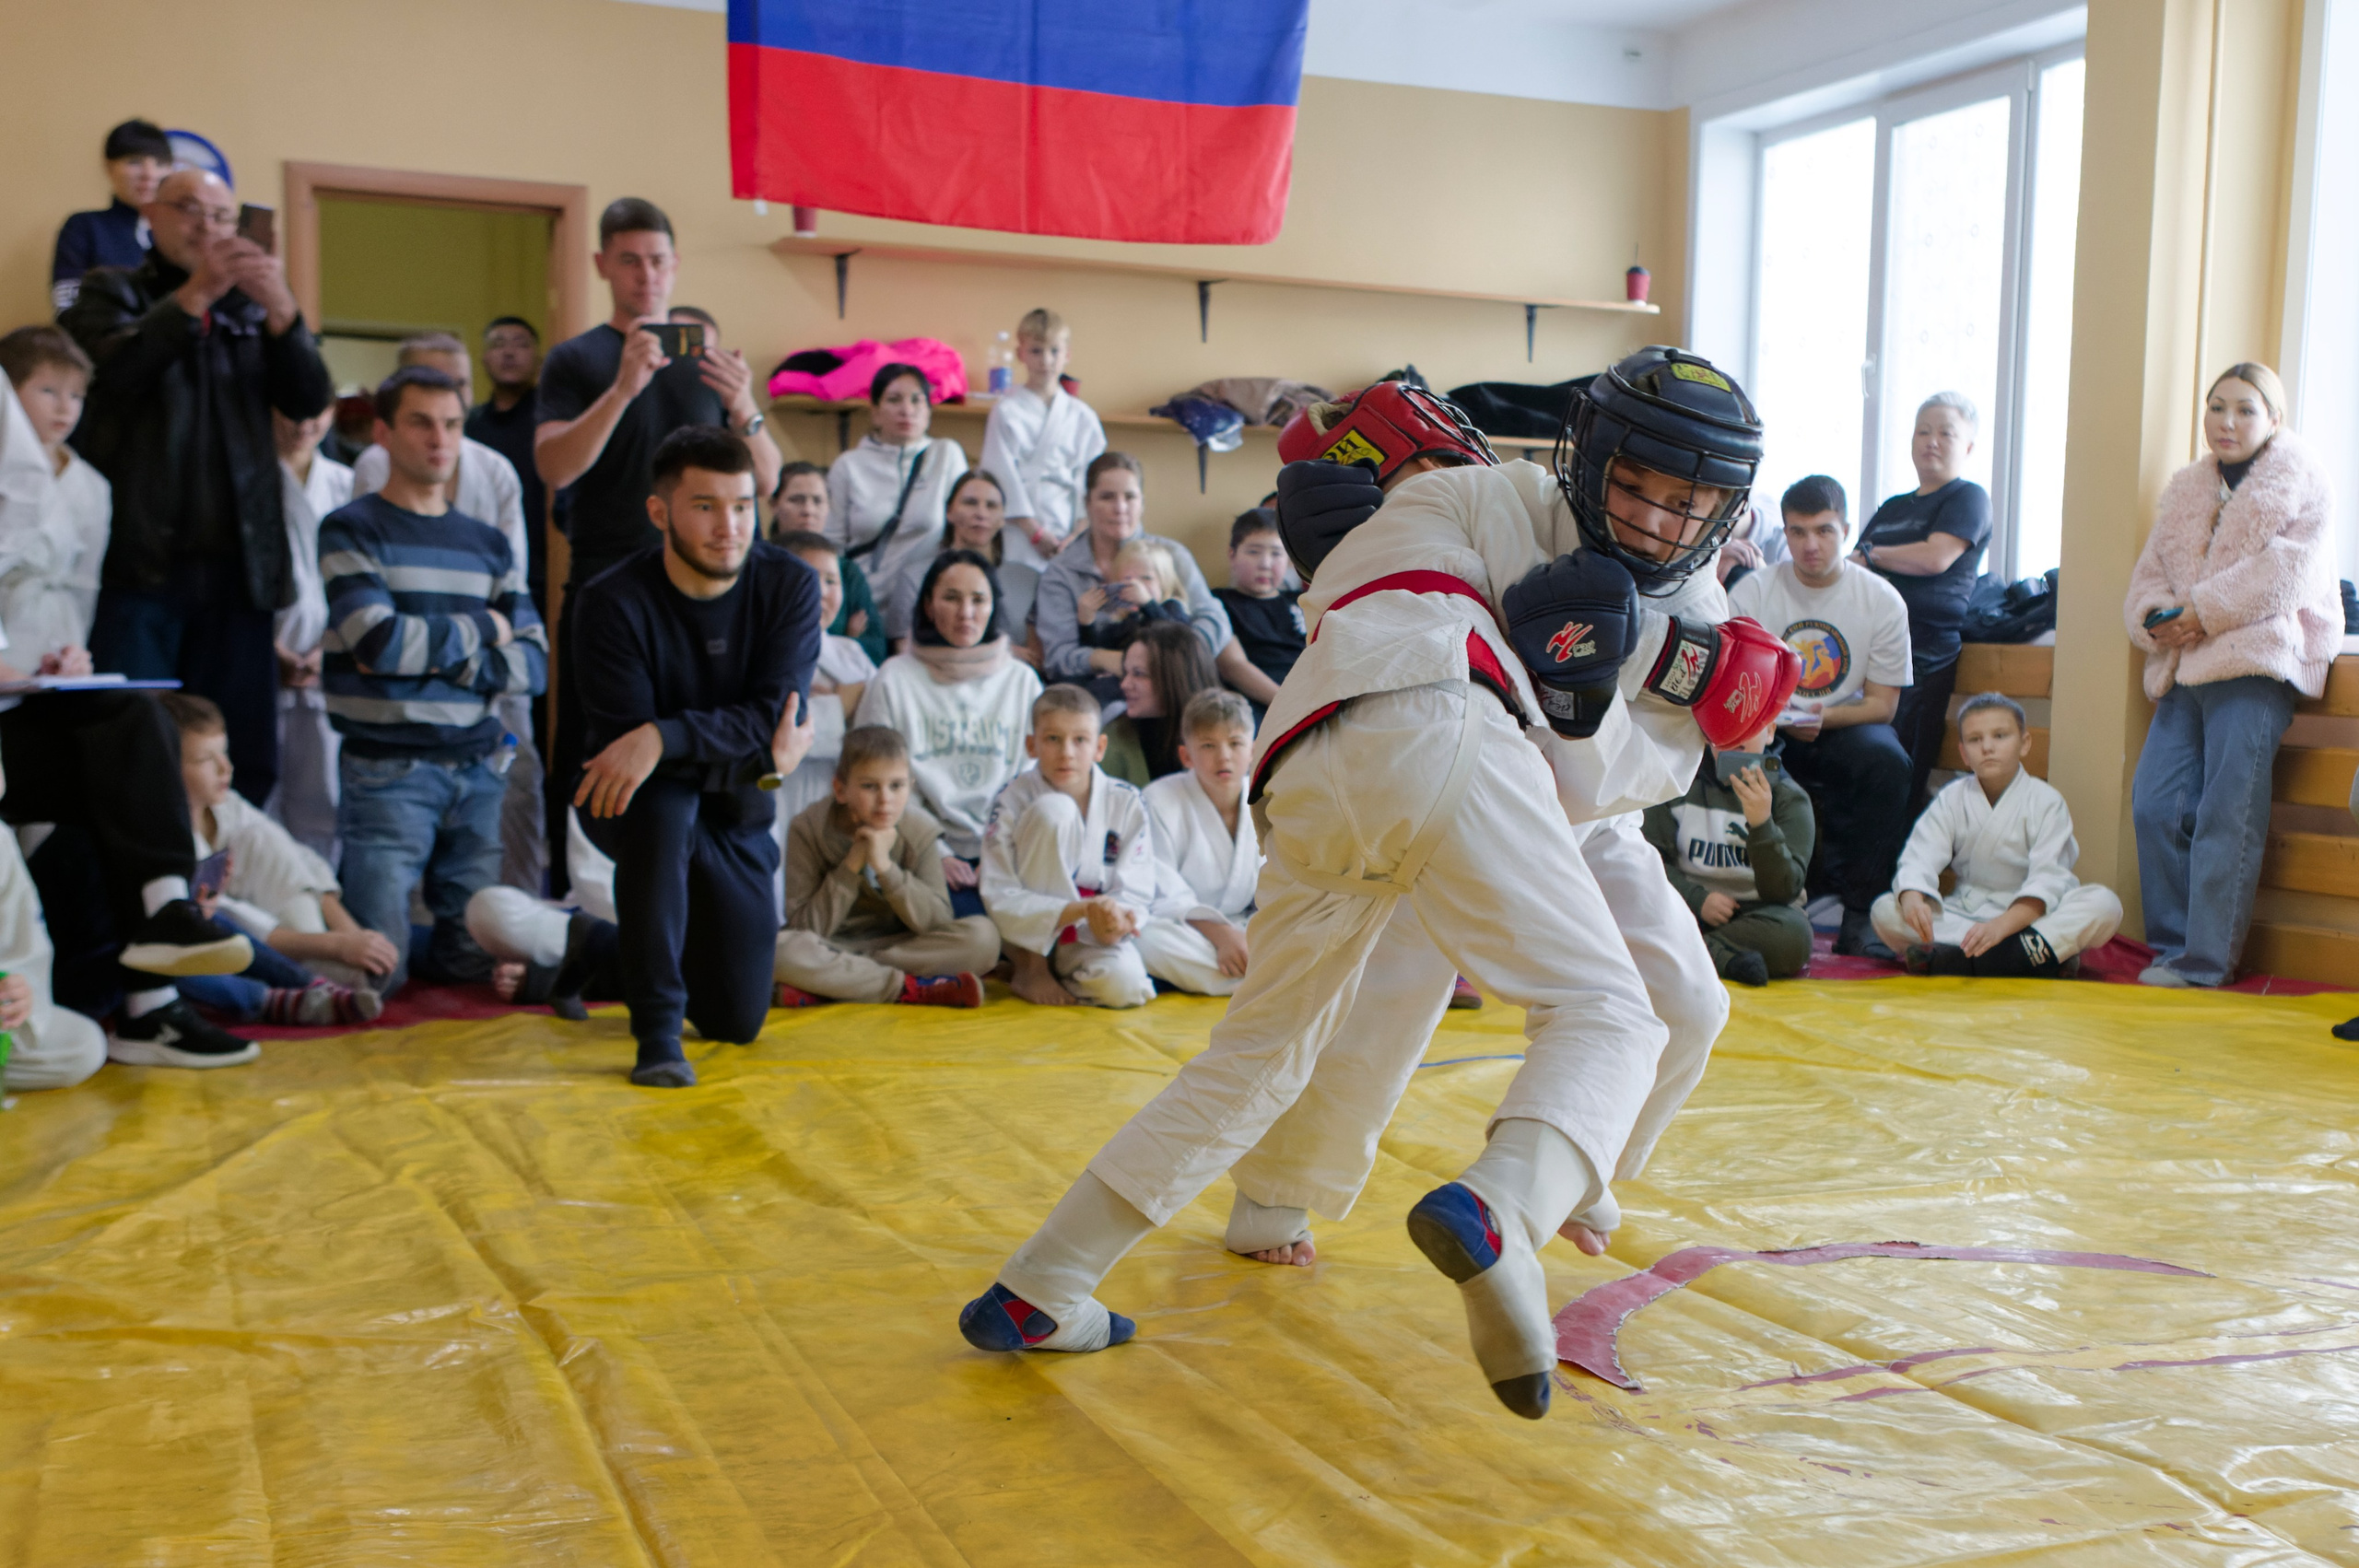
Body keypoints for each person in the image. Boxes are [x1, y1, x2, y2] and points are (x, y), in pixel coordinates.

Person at [959, 364, 1794, 1422]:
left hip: (1313, 762)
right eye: (1637, 484)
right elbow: (1347, 576)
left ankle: (1043, 1283)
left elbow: (1584, 783)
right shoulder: (1481, 495)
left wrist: (1579, 699)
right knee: (1603, 1012)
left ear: (1722, 513)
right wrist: (1564, 689)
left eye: (1687, 503)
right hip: (1452, 736)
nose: (1657, 515)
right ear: (1590, 461)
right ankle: (1502, 1207)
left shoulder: (1663, 599)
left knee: (1258, 1055)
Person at [62, 166, 334, 809]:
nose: (207, 228)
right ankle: (143, 898)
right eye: (189, 211)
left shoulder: (254, 311)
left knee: (237, 755)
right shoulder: (111, 292)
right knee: (132, 742)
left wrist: (285, 315)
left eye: (221, 216)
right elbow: (108, 383)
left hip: (240, 576)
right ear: (151, 216)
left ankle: (223, 887)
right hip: (139, 572)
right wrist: (195, 298)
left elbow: (307, 401)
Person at [535, 198, 783, 897]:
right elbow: (554, 468)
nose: (646, 275)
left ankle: (698, 895)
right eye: (629, 261)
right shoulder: (578, 359)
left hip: (702, 593)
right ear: (602, 266)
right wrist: (622, 388)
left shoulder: (705, 361)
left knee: (689, 744)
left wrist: (746, 408)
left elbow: (765, 479)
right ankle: (578, 901)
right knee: (590, 749)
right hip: (604, 586)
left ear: (675, 267)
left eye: (658, 261)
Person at [570, 426, 819, 1088]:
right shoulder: (609, 601)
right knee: (665, 807)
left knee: (736, 1020)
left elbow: (776, 716)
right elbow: (628, 751)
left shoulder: (789, 584)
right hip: (627, 803)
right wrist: (745, 752)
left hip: (737, 808)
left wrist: (665, 736)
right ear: (661, 513)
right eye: (705, 506)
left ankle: (596, 948)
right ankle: (654, 1033)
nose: (729, 526)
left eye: (742, 505)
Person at [323, 366, 546, 997]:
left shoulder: (489, 545)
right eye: (421, 422)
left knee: (474, 965)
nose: (439, 439)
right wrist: (485, 628)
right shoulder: (352, 528)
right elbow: (378, 643)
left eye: (451, 424)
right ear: (384, 434)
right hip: (387, 771)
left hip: (478, 769)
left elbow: (533, 667)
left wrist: (432, 649)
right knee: (376, 975)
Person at [2126, 362, 2341, 988]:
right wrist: (2156, 619)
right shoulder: (2188, 488)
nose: (2227, 421)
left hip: (2255, 662)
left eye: (2245, 409)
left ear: (2274, 419)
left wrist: (2202, 612)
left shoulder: (2304, 481)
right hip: (2186, 666)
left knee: (2228, 811)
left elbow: (2286, 575)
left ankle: (2206, 962)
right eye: (2216, 406)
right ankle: (2171, 948)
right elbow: (2149, 576)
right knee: (2154, 804)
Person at [350, 333, 546, 893]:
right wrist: (476, 634)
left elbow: (517, 616)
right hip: (403, 707)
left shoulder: (497, 471)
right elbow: (381, 625)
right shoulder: (373, 466)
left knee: (518, 789)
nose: (447, 404)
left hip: (487, 691)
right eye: (426, 404)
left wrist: (427, 652)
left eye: (458, 388)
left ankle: (521, 916)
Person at [1730, 474, 1914, 958]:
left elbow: (1883, 706)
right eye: (1798, 532)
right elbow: (1732, 691)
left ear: (1847, 530)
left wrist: (1823, 718)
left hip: (1842, 726)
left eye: (1824, 530)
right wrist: (1774, 720)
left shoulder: (1881, 600)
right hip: (1768, 727)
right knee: (1730, 757)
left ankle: (1861, 912)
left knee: (1888, 761)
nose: (1810, 544)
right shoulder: (1752, 593)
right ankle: (1746, 899)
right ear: (1784, 534)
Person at [163, 693, 392, 1025]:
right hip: (231, 943)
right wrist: (334, 946)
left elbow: (295, 860)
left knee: (389, 944)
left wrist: (351, 935)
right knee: (211, 940)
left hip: (280, 928)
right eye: (204, 760)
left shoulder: (229, 807)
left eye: (224, 754)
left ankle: (323, 980)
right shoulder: (165, 836)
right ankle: (296, 991)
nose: (226, 768)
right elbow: (229, 920)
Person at [1872, 693, 2122, 977]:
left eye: (2000, 736)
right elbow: (1920, 857)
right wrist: (1913, 899)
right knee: (1884, 911)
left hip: (2030, 917)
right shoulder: (1951, 799)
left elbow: (2049, 879)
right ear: (1964, 753)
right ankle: (2029, 956)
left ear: (2024, 743)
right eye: (1975, 740)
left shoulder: (2046, 801)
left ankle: (1963, 958)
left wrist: (2000, 928)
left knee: (2104, 905)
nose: (1987, 747)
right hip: (1967, 916)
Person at [852, 549, 1042, 915]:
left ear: (993, 607)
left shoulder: (1021, 681)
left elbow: (1035, 779)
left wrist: (1001, 852)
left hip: (1008, 847)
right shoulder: (894, 678)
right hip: (921, 848)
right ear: (928, 605)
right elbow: (874, 781)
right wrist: (933, 852)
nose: (966, 613)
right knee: (973, 933)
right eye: (951, 598)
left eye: (978, 600)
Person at [773, 725, 999, 1009]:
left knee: (984, 938)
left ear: (910, 786)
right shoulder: (807, 829)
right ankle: (906, 988)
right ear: (840, 789)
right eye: (869, 786)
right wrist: (853, 862)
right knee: (781, 952)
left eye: (896, 786)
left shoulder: (919, 829)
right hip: (833, 945)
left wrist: (886, 868)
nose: (885, 800)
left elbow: (937, 922)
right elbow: (805, 928)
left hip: (901, 947)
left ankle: (837, 985)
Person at [979, 684, 1156, 1009]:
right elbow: (999, 888)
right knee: (1054, 810)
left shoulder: (1126, 800)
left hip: (1090, 932)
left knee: (1127, 988)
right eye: (1053, 739)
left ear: (1100, 747)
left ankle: (1065, 971)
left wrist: (1114, 921)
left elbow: (1137, 886)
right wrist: (1078, 909)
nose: (1067, 753)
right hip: (1028, 932)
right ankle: (1031, 967)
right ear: (1031, 745)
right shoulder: (1011, 799)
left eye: (1080, 740)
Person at [1856, 392, 1991, 813]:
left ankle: (1896, 873)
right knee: (1856, 765)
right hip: (1866, 650)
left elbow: (1936, 558)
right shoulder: (1893, 507)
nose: (1931, 441)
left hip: (1925, 654)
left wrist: (1878, 554)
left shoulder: (1968, 497)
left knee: (1901, 769)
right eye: (1923, 431)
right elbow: (1853, 568)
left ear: (1967, 446)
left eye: (1945, 433)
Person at [1034, 452, 1230, 688]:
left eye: (1130, 497)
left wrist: (1174, 657)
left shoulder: (1172, 554)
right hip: (1098, 692)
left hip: (1174, 685)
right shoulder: (1061, 571)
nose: (1120, 508)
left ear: (1142, 503)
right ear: (1087, 504)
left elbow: (1214, 620)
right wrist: (1105, 658)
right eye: (1107, 497)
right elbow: (1057, 658)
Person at [1641, 723, 1816, 986]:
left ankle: (1696, 952)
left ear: (1770, 732)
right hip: (1686, 906)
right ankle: (1722, 959)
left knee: (1794, 937)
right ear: (1706, 735)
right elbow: (1647, 860)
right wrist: (1698, 900)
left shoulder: (1790, 799)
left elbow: (1783, 890)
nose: (1737, 734)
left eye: (1751, 727)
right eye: (1727, 726)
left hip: (1758, 917)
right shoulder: (1678, 786)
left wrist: (1761, 824)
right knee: (1631, 908)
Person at [826, 363, 968, 648]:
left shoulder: (946, 456)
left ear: (929, 411)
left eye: (917, 400)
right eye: (894, 400)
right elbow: (832, 547)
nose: (907, 409)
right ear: (875, 411)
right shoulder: (848, 466)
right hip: (865, 611)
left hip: (926, 613)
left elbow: (961, 533)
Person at [269, 403, 353, 860]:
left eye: (315, 410)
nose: (303, 421)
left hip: (329, 655)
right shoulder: (249, 479)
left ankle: (322, 905)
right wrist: (271, 649)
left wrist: (330, 646)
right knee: (261, 785)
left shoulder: (346, 482)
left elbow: (361, 579)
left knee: (325, 794)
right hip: (267, 651)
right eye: (290, 409)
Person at [1137, 689, 1259, 997]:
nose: (1224, 757)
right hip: (1186, 928)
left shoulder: (1269, 801)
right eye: (1208, 745)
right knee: (1144, 938)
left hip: (1248, 928)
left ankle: (1254, 976)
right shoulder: (1158, 799)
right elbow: (1159, 889)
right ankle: (1266, 983)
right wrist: (1220, 934)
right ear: (1186, 755)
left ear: (1253, 750)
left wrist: (1243, 935)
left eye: (1235, 744)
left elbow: (1282, 885)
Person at [0, 326, 108, 661]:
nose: (65, 408)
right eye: (48, 391)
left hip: (57, 632)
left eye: (76, 396)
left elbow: (85, 582)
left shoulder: (92, 485)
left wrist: (76, 651)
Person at [980, 307, 1107, 571]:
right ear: (1021, 354)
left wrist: (1078, 534)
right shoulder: (1006, 411)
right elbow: (1000, 475)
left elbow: (1093, 481)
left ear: (1067, 355)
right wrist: (1034, 532)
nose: (1045, 361)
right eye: (1036, 351)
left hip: (1070, 528)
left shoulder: (1083, 417)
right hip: (1019, 529)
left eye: (1054, 351)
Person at [769, 532, 875, 824]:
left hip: (843, 801)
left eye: (832, 581)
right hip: (780, 798)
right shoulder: (760, 652)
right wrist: (841, 706)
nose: (823, 591)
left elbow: (879, 729)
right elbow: (774, 733)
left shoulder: (851, 653)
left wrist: (851, 704)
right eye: (810, 578)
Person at [895, 469, 1040, 650]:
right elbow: (904, 648)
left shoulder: (1028, 579)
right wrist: (999, 654)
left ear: (1003, 518)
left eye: (991, 505)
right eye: (970, 503)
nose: (981, 513)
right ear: (949, 511)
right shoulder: (915, 577)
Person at [465, 316, 546, 610]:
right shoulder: (468, 424)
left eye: (521, 345)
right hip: (476, 559)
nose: (509, 353)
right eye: (498, 345)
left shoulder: (551, 420)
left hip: (540, 561)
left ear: (538, 359)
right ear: (484, 358)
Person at [50, 120, 171, 313]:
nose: (149, 174)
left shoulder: (180, 231)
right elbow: (66, 311)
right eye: (134, 161)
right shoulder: (83, 227)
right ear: (109, 167)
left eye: (160, 163)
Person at [776, 459, 885, 661]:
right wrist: (846, 639)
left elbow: (876, 649)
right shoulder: (760, 564)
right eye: (797, 500)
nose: (808, 510)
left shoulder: (846, 572)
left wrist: (843, 648)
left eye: (818, 501)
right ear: (774, 504)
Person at [1102, 619, 1219, 786]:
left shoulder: (1223, 734)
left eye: (1138, 674)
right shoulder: (1115, 734)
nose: (1124, 684)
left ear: (1175, 678)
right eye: (1125, 673)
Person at [1211, 507, 1303, 711]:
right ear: (1232, 555)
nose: (1265, 564)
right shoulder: (1218, 603)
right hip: (1258, 701)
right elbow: (1232, 666)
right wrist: (1290, 706)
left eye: (1276, 553)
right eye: (1254, 552)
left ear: (1287, 560)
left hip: (1310, 693)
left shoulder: (1303, 602)